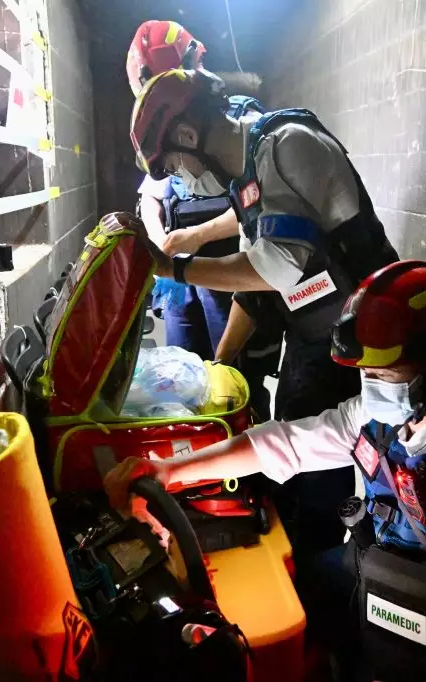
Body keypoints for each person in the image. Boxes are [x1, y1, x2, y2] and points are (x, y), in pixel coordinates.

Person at [104, 261, 426, 682]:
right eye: (366, 375)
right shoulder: (377, 420)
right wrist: (169, 470)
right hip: (382, 573)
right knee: (282, 600)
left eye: (384, 375)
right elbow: (287, 443)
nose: (371, 388)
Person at [121, 67, 401, 555]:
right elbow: (254, 291)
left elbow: (276, 267)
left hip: (371, 337)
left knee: (329, 468)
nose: (181, 178)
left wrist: (176, 269)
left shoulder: (287, 146)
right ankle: (303, 555)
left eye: (173, 165)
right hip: (319, 335)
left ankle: (327, 568)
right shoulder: (249, 175)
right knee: (288, 440)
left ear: (188, 135)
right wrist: (220, 364)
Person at [128, 21, 282, 420]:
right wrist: (161, 242)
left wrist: (196, 236)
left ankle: (244, 447)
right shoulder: (167, 130)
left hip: (232, 269)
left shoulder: (238, 122)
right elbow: (151, 195)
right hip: (182, 277)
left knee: (234, 380)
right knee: (185, 378)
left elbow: (257, 208)